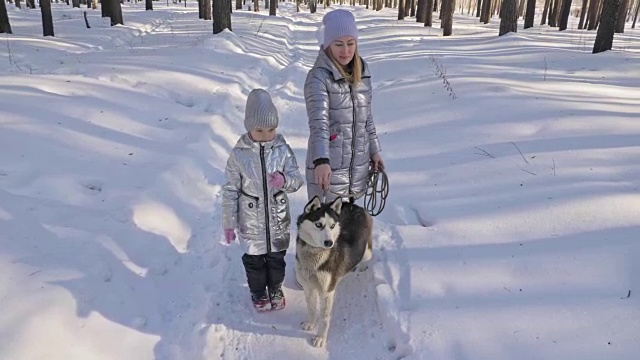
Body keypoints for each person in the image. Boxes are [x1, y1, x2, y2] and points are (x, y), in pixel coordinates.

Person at [222, 89, 304, 312]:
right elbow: (230, 190)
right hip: (251, 221)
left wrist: (284, 179)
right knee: (255, 261)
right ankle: (258, 291)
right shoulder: (238, 155)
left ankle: (275, 288)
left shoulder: (283, 151)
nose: (267, 135)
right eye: (259, 130)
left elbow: (297, 181)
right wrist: (229, 222)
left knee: (277, 259)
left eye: (271, 129)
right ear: (249, 127)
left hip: (277, 221)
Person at [304, 9, 384, 204]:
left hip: (357, 169)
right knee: (328, 232)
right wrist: (321, 161)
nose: (345, 51)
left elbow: (367, 118)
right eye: (338, 44)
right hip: (329, 172)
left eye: (350, 43)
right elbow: (319, 124)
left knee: (349, 231)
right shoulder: (318, 77)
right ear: (328, 45)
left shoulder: (362, 73)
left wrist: (374, 150)